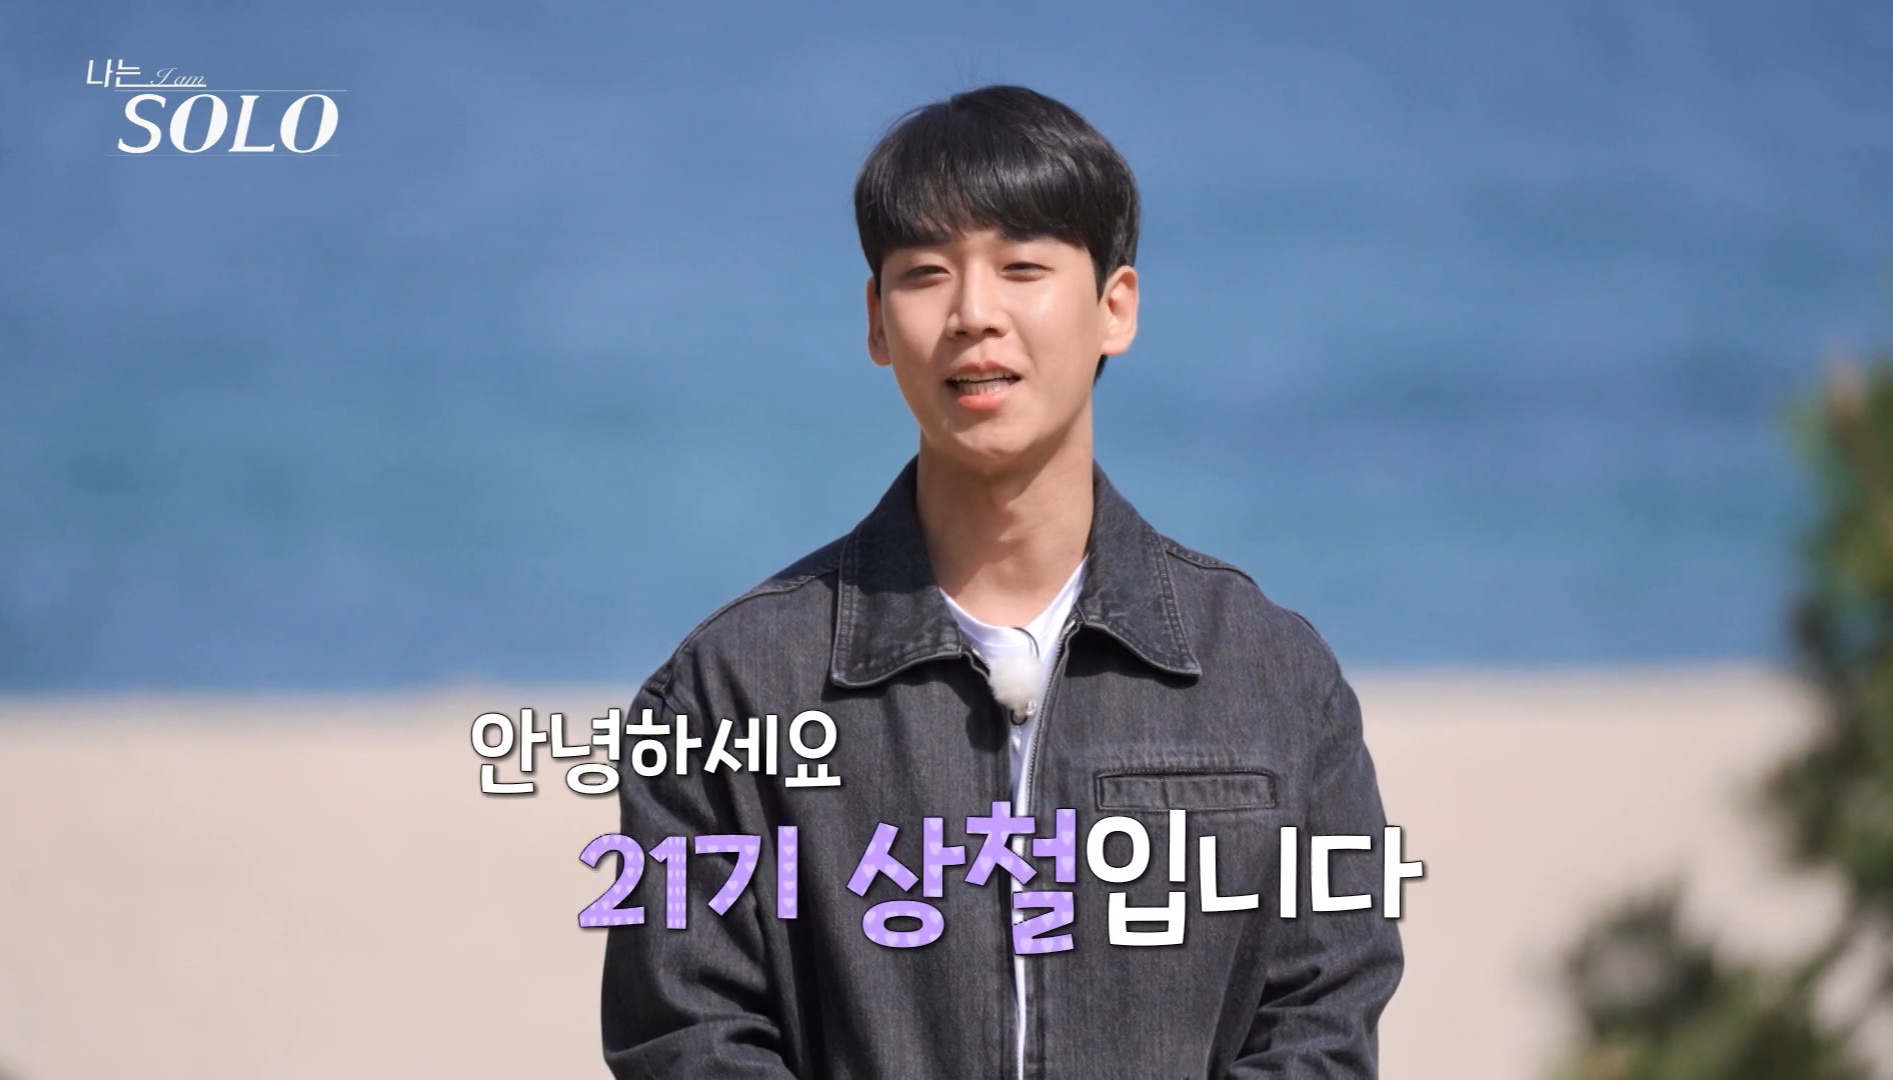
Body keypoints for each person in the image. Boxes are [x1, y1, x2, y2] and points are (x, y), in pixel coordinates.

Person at [601, 83, 1405, 1079]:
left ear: (1115, 307)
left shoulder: (1269, 676)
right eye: (925, 274)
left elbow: (1321, 1025)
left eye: (1023, 267)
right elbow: (686, 1037)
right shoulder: (732, 689)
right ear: (876, 321)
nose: (974, 314)